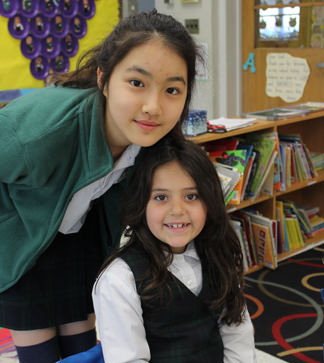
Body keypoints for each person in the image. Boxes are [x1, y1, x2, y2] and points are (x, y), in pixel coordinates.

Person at [0, 9, 200, 363]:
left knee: (85, 350)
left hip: (77, 238)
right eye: (137, 83)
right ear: (104, 79)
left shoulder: (153, 143)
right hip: (21, 243)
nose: (153, 107)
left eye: (172, 89)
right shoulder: (41, 133)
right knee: (40, 353)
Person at [93, 138, 257, 363]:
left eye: (191, 196)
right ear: (141, 204)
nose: (178, 210)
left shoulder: (218, 254)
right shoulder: (120, 279)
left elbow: (237, 331)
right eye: (161, 197)